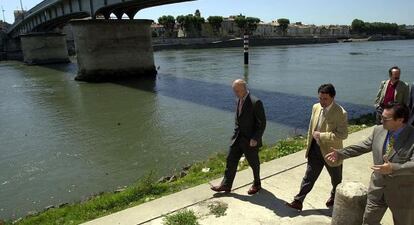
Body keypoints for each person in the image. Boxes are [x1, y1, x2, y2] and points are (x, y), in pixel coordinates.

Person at [326, 102, 414, 225]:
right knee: (368, 221)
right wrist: (341, 153)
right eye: (381, 116)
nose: (380, 120)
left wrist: (393, 168)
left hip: (401, 194)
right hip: (377, 188)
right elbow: (363, 146)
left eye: (385, 118)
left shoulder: (412, 136)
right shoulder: (378, 130)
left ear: (400, 120)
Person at [286, 84, 348, 211]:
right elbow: (311, 128)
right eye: (320, 98)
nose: (322, 102)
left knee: (336, 179)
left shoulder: (341, 113)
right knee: (309, 177)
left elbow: (343, 135)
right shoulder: (316, 107)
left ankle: (334, 197)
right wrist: (308, 145)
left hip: (332, 152)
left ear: (333, 97)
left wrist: (322, 135)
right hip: (315, 150)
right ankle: (298, 201)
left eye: (325, 99)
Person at [211, 79, 266, 195]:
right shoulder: (238, 100)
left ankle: (257, 184)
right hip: (237, 138)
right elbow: (238, 120)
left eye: (236, 90)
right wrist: (234, 134)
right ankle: (226, 185)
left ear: (243, 89)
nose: (235, 93)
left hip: (250, 140)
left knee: (253, 163)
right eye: (234, 90)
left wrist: (255, 138)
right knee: (230, 160)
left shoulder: (255, 102)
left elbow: (262, 123)